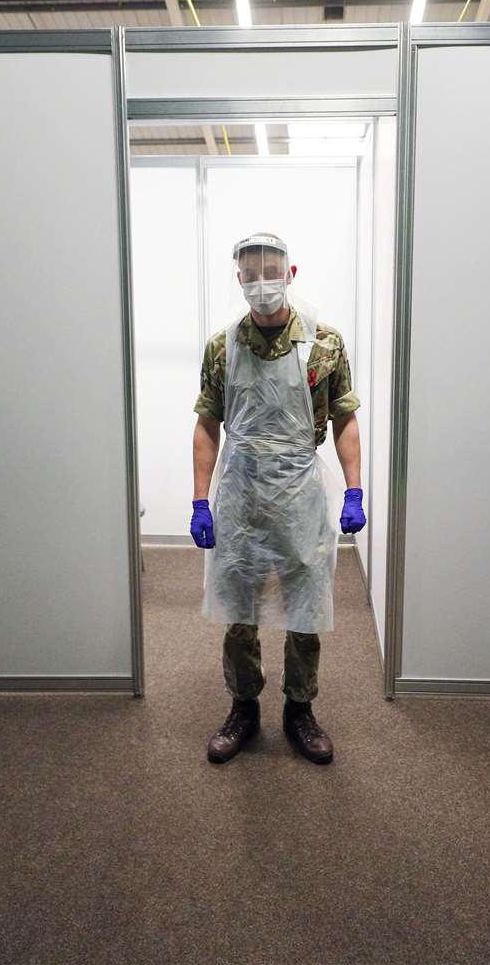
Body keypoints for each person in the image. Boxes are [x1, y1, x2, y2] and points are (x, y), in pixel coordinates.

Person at [190, 232, 366, 765]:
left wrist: (354, 488)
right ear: (239, 277)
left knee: (305, 604)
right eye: (252, 271)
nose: (262, 281)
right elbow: (207, 424)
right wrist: (201, 499)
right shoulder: (224, 346)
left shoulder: (325, 343)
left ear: (290, 274)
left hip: (299, 493)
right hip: (241, 492)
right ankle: (243, 705)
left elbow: (345, 419)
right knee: (238, 606)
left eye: (272, 270)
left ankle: (300, 709)